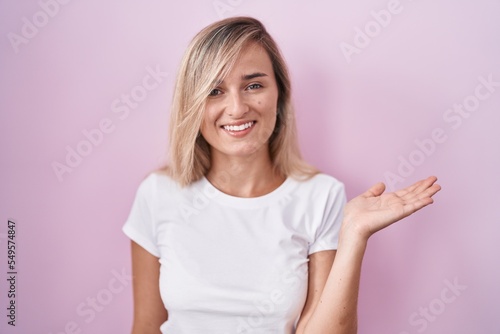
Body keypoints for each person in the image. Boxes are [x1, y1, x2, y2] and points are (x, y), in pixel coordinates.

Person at [122, 16, 440, 334]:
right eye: (215, 91)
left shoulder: (320, 196)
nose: (236, 108)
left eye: (254, 85)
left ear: (280, 95)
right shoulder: (158, 193)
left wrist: (354, 235)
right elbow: (146, 327)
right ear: (192, 103)